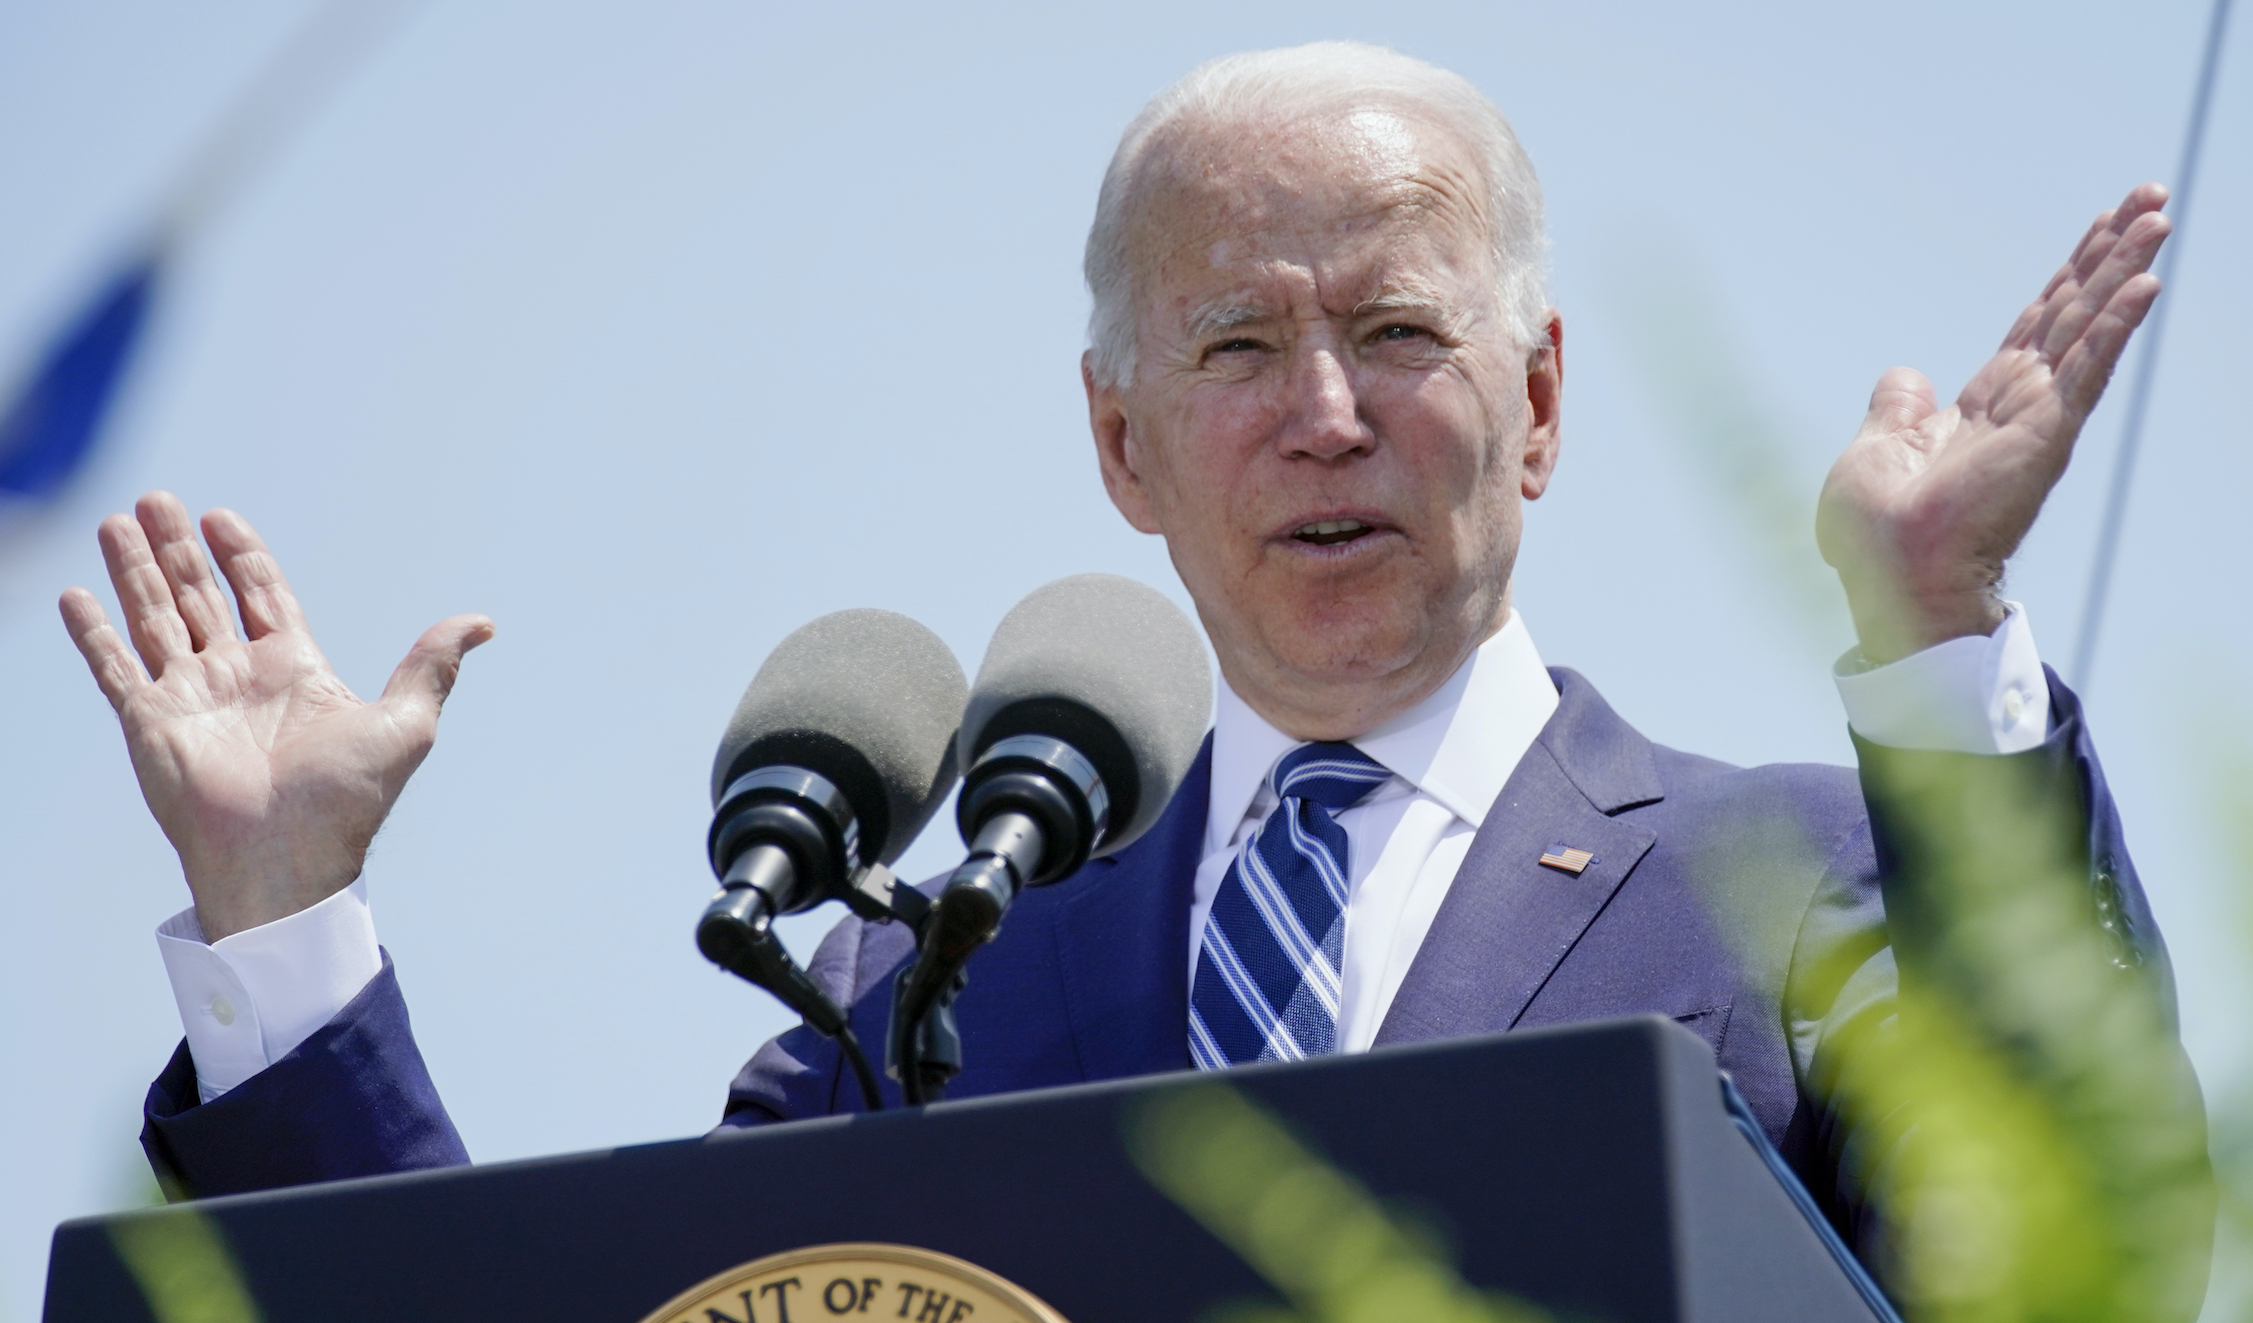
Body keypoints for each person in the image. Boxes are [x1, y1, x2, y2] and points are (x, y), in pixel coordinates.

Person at [60, 41, 2199, 1295]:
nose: (1326, 411)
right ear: (1119, 442)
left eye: (1395, 332)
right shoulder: (922, 994)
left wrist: (1928, 644)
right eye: (1240, 347)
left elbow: (2081, 1242)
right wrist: (286, 934)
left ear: (1537, 397)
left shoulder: (1794, 875)